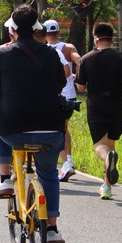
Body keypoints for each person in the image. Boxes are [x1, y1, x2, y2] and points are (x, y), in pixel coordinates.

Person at [0, 4, 67, 243]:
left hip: (13, 131)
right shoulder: (50, 53)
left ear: (13, 30)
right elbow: (60, 83)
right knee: (49, 174)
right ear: (37, 28)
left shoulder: (4, 53)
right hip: (51, 130)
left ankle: (5, 177)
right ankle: (52, 229)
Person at [74, 22, 122, 200]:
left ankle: (108, 161)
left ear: (95, 39)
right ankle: (106, 187)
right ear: (111, 39)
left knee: (100, 147)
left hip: (96, 105)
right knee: (111, 144)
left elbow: (80, 87)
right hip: (116, 104)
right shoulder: (119, 57)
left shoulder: (86, 59)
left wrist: (76, 78)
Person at [43, 19, 83, 182]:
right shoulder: (68, 48)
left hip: (53, 95)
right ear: (58, 32)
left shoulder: (42, 49)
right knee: (64, 127)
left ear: (44, 34)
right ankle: (69, 160)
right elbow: (79, 60)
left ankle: (66, 164)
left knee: (56, 129)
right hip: (69, 94)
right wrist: (77, 78)